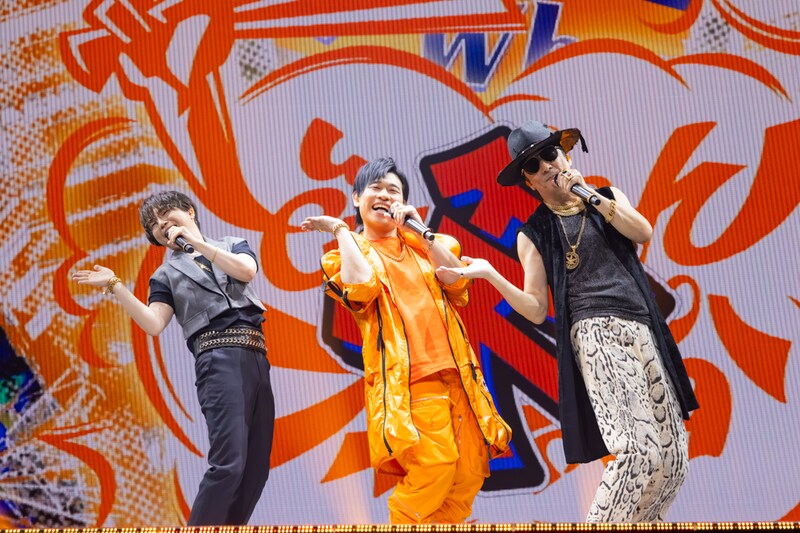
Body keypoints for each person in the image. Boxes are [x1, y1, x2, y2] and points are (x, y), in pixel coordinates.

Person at [437, 121, 699, 523]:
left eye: (550, 154)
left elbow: (643, 231)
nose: (545, 166)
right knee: (636, 451)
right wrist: (491, 274)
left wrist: (591, 196)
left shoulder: (607, 197)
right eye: (533, 165)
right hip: (595, 333)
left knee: (672, 458)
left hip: (643, 328)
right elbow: (536, 308)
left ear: (566, 156)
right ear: (527, 181)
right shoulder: (534, 232)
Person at [301, 157, 511, 524]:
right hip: (412, 382)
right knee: (435, 465)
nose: (384, 195)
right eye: (376, 189)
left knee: (468, 475)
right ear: (356, 198)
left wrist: (423, 233)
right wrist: (340, 230)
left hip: (459, 376)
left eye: (393, 191)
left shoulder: (424, 245)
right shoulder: (344, 255)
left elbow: (458, 282)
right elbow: (361, 289)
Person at [72, 191, 274, 526]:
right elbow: (154, 323)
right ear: (155, 238)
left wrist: (199, 245)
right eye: (153, 224)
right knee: (229, 464)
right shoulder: (165, 276)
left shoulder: (231, 244)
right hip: (218, 359)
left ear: (190, 212)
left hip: (256, 356)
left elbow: (247, 270)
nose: (161, 223)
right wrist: (116, 286)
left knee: (256, 470)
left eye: (166, 213)